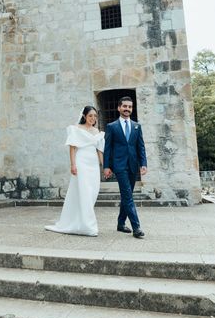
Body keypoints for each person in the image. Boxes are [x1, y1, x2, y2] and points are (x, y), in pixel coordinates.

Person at [45, 106, 104, 236]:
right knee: (84, 192)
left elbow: (100, 150)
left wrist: (104, 166)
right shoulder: (76, 129)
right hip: (81, 162)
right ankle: (89, 227)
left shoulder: (96, 131)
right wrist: (73, 164)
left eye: (95, 116)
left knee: (92, 192)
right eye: (90, 116)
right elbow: (72, 148)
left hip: (93, 164)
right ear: (84, 116)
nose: (93, 118)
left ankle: (80, 221)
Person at [103, 96, 147, 238]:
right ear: (119, 108)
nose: (127, 109)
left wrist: (143, 164)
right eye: (125, 106)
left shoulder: (136, 126)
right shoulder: (111, 127)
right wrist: (106, 166)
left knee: (126, 196)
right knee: (128, 195)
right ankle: (136, 227)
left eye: (130, 107)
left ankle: (121, 223)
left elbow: (141, 146)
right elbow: (108, 148)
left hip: (133, 166)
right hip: (119, 166)